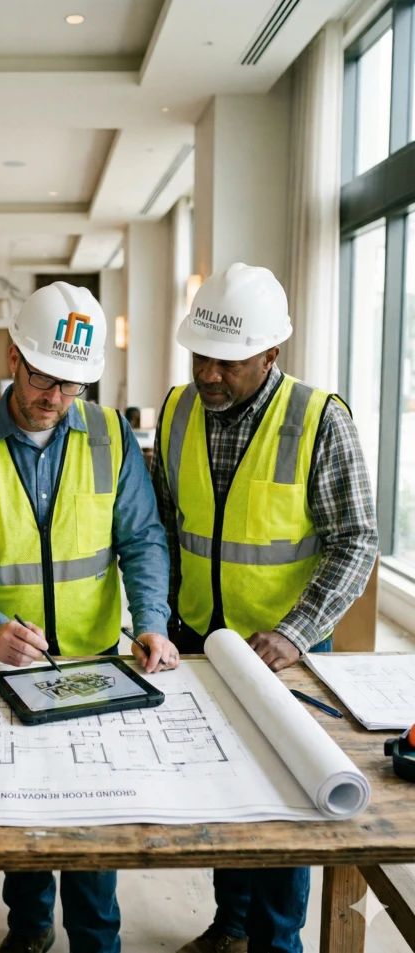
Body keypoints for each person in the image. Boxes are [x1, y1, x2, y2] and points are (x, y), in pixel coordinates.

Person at [0, 281, 178, 953]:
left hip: (96, 658)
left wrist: (151, 619)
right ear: (14, 356)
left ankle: (98, 942)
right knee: (22, 813)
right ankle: (30, 928)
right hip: (5, 666)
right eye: (45, 377)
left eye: (74, 385)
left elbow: (142, 538)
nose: (56, 397)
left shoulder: (110, 436)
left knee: (94, 820)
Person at [151, 264, 378, 953]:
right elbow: (163, 523)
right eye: (201, 357)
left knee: (287, 804)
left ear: (272, 354)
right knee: (226, 793)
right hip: (201, 639)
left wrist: (295, 632)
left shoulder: (318, 418)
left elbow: (358, 537)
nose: (209, 374)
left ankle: (277, 942)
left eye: (229, 361)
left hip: (287, 651)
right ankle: (231, 924)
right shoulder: (177, 408)